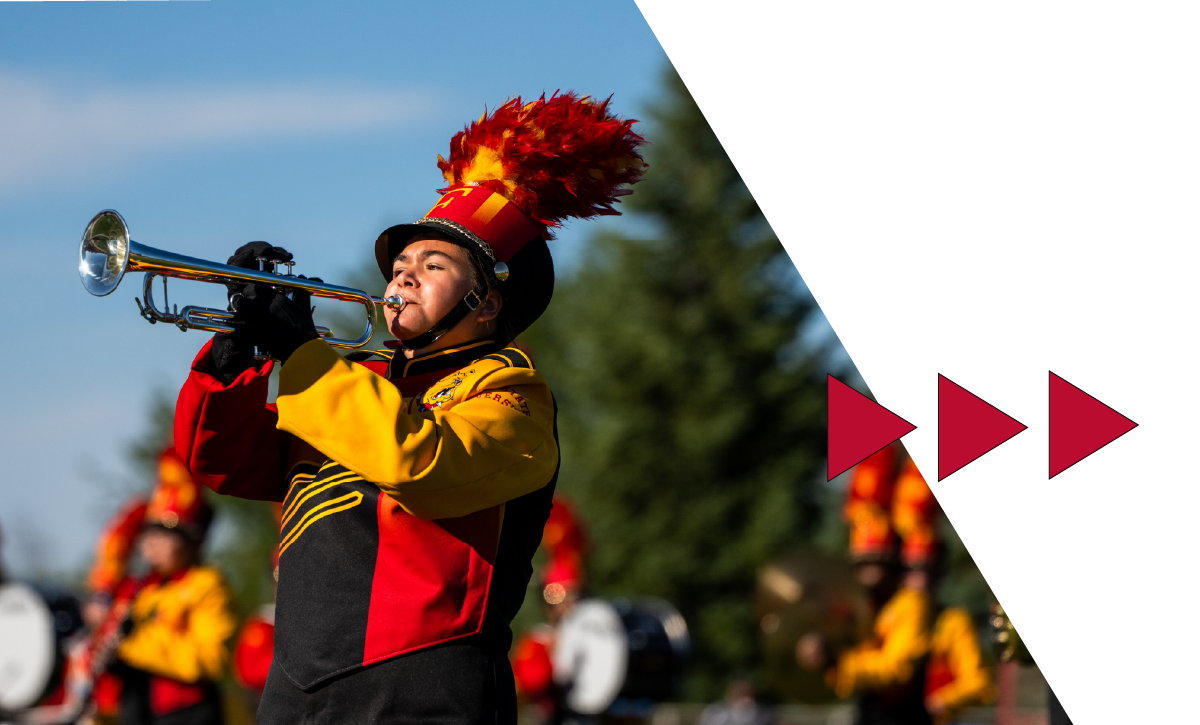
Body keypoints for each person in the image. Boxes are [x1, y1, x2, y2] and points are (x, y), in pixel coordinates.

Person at [173, 92, 646, 725]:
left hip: (424, 686)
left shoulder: (512, 393)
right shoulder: (353, 381)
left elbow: (420, 460)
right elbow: (224, 462)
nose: (403, 277)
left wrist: (302, 352)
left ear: (487, 302)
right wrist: (234, 352)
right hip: (296, 689)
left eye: (433, 263)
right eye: (399, 266)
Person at [96, 448, 237, 725]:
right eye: (149, 534)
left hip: (187, 715)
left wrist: (133, 645)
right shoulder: (142, 589)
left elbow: (212, 659)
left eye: (165, 535)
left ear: (192, 542)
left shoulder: (207, 585)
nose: (150, 544)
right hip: (137, 711)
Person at [798, 446, 934, 725]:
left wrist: (839, 663)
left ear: (891, 566)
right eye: (861, 566)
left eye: (874, 564)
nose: (866, 575)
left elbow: (897, 667)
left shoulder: (912, 605)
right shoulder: (860, 605)